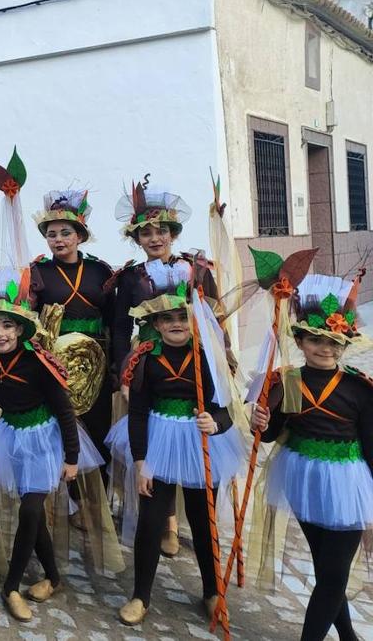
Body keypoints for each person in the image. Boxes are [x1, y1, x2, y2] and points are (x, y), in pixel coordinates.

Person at [0, 265, 108, 622]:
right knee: (33, 517)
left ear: (19, 328)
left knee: (30, 512)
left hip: (44, 440)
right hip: (11, 438)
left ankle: (11, 587)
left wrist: (71, 458)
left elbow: (65, 412)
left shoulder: (38, 363)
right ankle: (53, 577)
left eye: (7, 326)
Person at [108, 258, 244, 626]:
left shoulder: (207, 359)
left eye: (183, 318)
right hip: (158, 441)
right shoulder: (146, 360)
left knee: (204, 522)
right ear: (155, 324)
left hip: (202, 444)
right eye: (167, 319)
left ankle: (212, 591)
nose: (176, 325)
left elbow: (226, 412)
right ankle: (140, 596)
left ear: (194, 320)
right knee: (151, 521)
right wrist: (140, 462)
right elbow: (137, 413)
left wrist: (213, 422)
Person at [250, 273, 373, 641]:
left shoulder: (359, 388)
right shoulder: (286, 380)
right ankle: (349, 637)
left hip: (347, 484)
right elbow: (273, 435)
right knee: (328, 572)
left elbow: (371, 444)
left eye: (335, 342)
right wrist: (262, 420)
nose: (326, 349)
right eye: (317, 340)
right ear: (300, 340)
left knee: (333, 575)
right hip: (303, 478)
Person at [109, 178, 215, 557]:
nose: (155, 238)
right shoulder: (130, 279)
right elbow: (121, 329)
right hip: (147, 363)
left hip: (189, 361)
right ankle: (163, 519)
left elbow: (213, 320)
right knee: (152, 441)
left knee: (186, 436)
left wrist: (223, 364)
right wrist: (125, 372)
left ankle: (184, 522)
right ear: (137, 239)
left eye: (162, 231)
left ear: (173, 233)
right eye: (147, 233)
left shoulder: (195, 270)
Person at [30, 189, 114, 478]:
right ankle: (69, 497)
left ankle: (98, 498)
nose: (59, 240)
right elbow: (30, 317)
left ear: (80, 236)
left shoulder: (99, 270)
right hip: (56, 361)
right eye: (52, 235)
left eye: (66, 233)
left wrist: (115, 366)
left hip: (96, 360)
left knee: (98, 423)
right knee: (63, 424)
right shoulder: (38, 272)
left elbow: (113, 319)